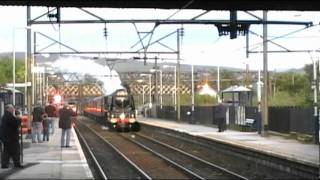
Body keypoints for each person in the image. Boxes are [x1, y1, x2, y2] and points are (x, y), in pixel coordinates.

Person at [0, 104, 23, 168]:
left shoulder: (4, 116)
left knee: (7, 151)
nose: (13, 109)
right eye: (12, 108)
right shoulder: (9, 116)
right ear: (8, 109)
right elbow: (16, 124)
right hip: (12, 138)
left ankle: (4, 164)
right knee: (16, 151)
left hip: (6, 138)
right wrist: (19, 118)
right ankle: (17, 163)